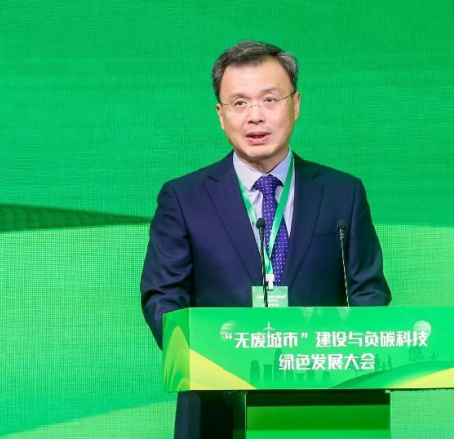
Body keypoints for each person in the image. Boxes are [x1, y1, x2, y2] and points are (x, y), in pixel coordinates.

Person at [141, 41, 391, 439]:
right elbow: (163, 299)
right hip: (216, 410)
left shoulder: (342, 193)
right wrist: (212, 363)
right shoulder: (184, 199)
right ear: (220, 115)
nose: (255, 116)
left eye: (269, 99)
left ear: (296, 105)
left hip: (326, 408)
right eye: (239, 103)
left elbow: (369, 294)